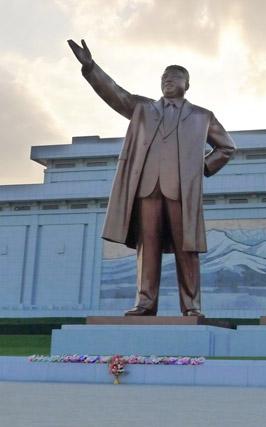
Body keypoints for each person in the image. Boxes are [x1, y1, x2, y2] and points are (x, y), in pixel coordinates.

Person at [68, 39, 236, 317]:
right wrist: (91, 67)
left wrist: (202, 168)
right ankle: (145, 303)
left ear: (187, 84)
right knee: (148, 248)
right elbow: (116, 94)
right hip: (147, 189)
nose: (168, 80)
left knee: (187, 248)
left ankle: (191, 306)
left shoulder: (202, 116)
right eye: (164, 77)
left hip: (181, 191)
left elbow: (227, 146)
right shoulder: (143, 109)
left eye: (175, 76)